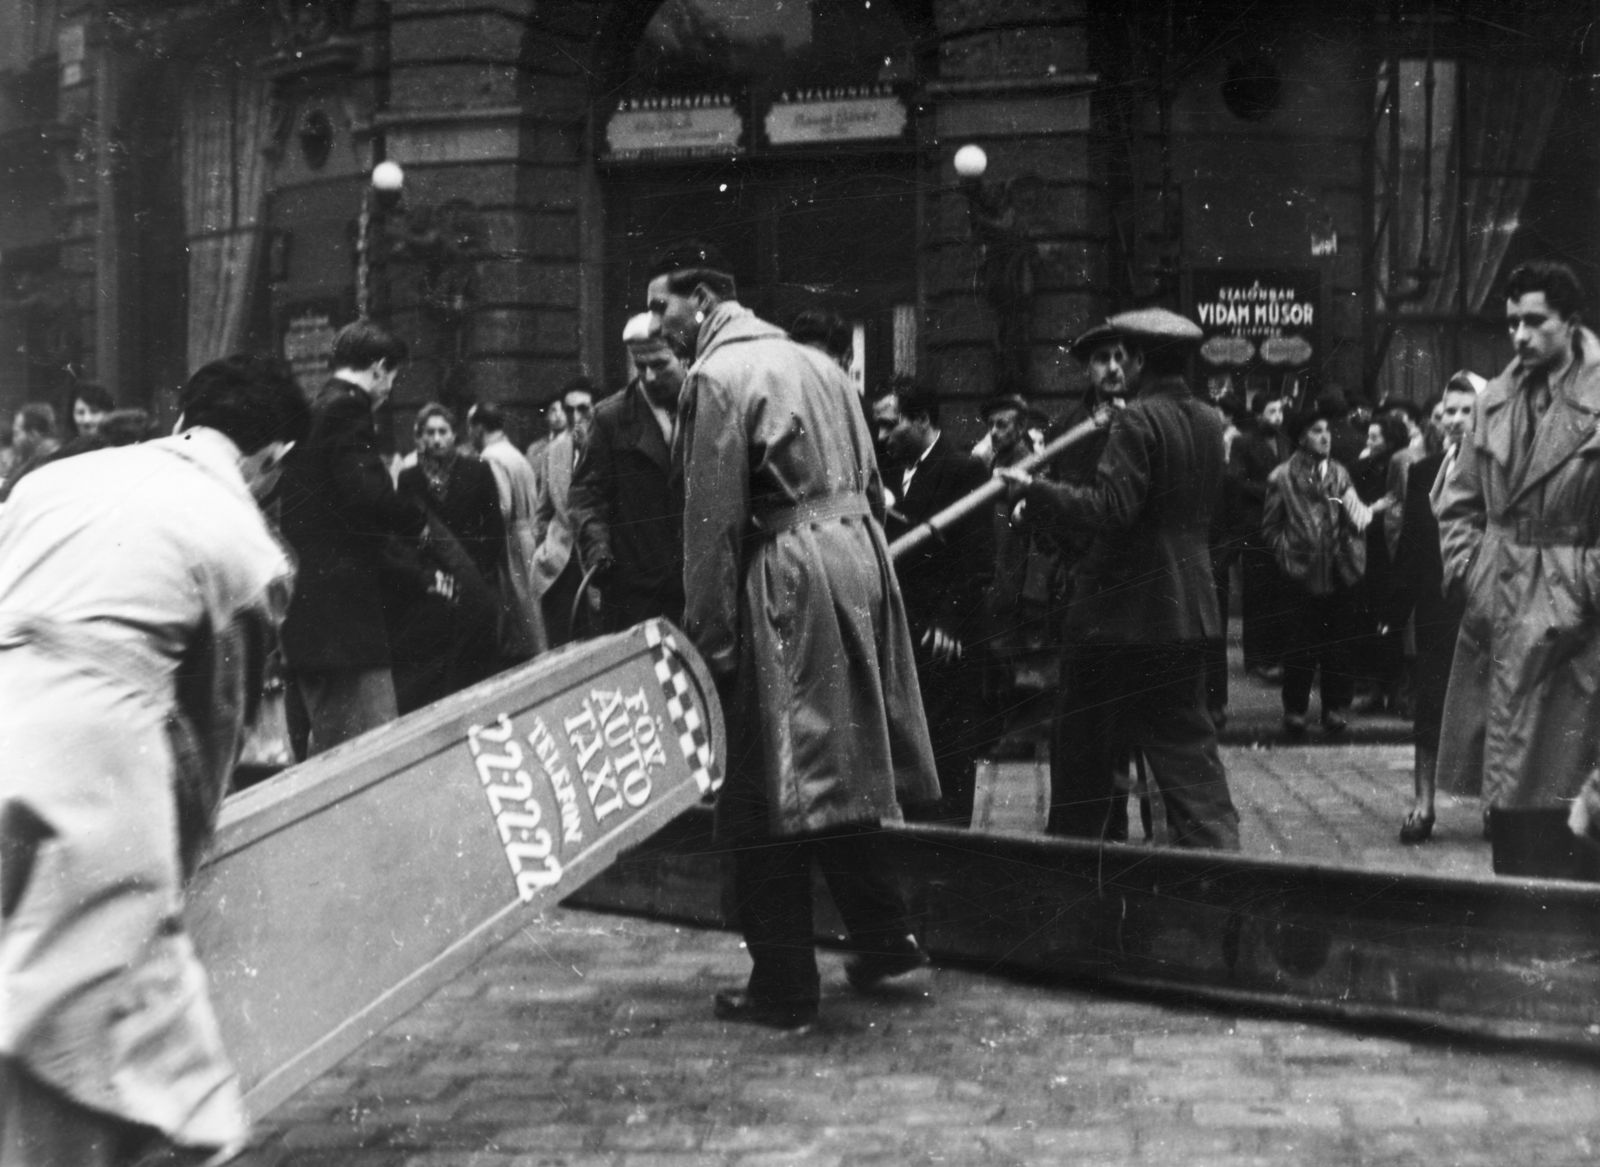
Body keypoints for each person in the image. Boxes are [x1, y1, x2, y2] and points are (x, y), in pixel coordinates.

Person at [0, 353, 306, 1166]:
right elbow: (215, 727)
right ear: (274, 459)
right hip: (95, 754)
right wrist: (180, 863)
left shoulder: (50, 481)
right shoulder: (250, 546)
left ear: (180, 419)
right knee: (129, 1047)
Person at [653, 239, 938, 1031]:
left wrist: (708, 653)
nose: (657, 322)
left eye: (662, 305)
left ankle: (783, 980)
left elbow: (710, 524)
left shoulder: (717, 375)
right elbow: (877, 488)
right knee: (830, 757)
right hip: (856, 564)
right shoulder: (819, 363)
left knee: (757, 779)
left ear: (704, 297)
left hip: (788, 574)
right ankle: (884, 931)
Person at [998, 307, 1240, 851]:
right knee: (1187, 751)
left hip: (1119, 616)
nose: (1118, 367)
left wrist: (1031, 490)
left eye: (1122, 355)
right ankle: (1226, 865)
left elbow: (1111, 508)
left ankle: (1075, 875)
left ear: (1137, 358)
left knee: (1082, 752)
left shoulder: (1136, 420)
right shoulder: (1207, 419)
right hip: (1188, 611)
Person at [1437, 261, 1600, 865]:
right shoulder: (1495, 401)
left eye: (1535, 321)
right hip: (1501, 610)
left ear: (1571, 322)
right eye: (1512, 323)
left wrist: (1582, 586)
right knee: (1511, 819)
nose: (1520, 335)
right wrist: (1472, 577)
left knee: (1571, 810)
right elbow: (1459, 506)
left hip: (1579, 630)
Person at [277, 319, 427, 758]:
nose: (390, 389)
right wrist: (415, 523)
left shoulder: (316, 407)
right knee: (366, 764)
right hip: (342, 631)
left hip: (314, 624)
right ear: (379, 368)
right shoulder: (347, 409)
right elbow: (368, 494)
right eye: (393, 377)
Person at [871, 378, 994, 826]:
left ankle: (948, 853)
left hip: (945, 638)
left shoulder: (964, 469)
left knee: (948, 750)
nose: (881, 437)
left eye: (890, 425)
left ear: (922, 419)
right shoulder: (891, 473)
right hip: (905, 629)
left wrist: (948, 622)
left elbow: (978, 559)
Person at [1392, 372, 1478, 842]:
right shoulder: (1423, 472)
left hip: (1480, 605)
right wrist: (1392, 608)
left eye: (1468, 410)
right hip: (1435, 606)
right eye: (1450, 410)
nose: (1456, 419)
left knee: (1486, 707)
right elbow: (1411, 545)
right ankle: (1423, 806)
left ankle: (1494, 806)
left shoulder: (1494, 473)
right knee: (1429, 703)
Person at [1263, 407, 1381, 739]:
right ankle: (1295, 710)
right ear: (1301, 437)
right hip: (1301, 571)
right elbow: (1270, 526)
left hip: (1340, 568)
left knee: (1338, 643)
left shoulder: (1340, 474)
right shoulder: (1282, 477)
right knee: (1300, 644)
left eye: (1327, 430)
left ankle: (1334, 708)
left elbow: (1357, 515)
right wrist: (1287, 553)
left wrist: (1355, 535)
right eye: (1316, 430)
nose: (1325, 436)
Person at [568, 314, 687, 633]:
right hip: (635, 594)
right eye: (640, 366)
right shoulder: (609, 419)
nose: (648, 376)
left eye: (660, 365)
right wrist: (598, 550)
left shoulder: (706, 409)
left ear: (685, 358)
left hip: (694, 591)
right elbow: (585, 498)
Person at [390, 404, 507, 712]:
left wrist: (478, 571)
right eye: (430, 432)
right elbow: (404, 537)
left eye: (443, 432)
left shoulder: (477, 471)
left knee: (476, 670)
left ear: (455, 435)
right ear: (419, 438)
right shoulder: (409, 479)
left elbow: (494, 529)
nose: (437, 439)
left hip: (474, 585)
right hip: (433, 593)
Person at [469, 400, 546, 658]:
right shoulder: (513, 453)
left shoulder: (491, 458)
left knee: (523, 612)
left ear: (478, 428)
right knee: (533, 609)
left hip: (512, 538)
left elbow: (500, 508)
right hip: (528, 534)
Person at [1231, 394, 1293, 677]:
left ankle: (1274, 656)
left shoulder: (1285, 441)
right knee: (1256, 591)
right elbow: (1237, 481)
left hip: (1281, 525)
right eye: (1272, 410)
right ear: (1258, 415)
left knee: (1279, 590)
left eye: (1280, 411)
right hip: (1255, 525)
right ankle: (1255, 658)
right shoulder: (1243, 442)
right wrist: (1272, 492)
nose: (1277, 416)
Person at [531, 377, 595, 647]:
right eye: (569, 410)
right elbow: (543, 510)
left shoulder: (610, 444)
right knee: (561, 646)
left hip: (595, 564)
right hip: (559, 567)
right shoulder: (553, 450)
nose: (575, 417)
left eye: (583, 409)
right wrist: (545, 545)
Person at [0, 404, 59, 503]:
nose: (14, 440)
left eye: (17, 433)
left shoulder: (47, 463)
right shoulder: (31, 459)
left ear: (33, 434)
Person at [526, 397, 569, 499]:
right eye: (552, 410)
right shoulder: (535, 449)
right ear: (545, 416)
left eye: (563, 410)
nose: (558, 415)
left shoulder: (574, 444)